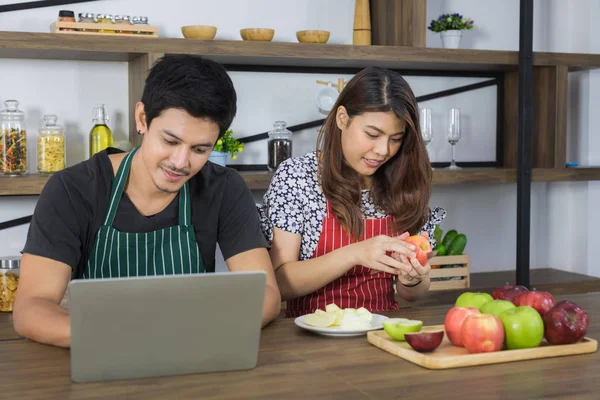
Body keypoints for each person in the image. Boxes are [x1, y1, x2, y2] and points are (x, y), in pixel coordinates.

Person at [13, 54, 281, 347]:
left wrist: (205, 329)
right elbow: (32, 309)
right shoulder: (72, 190)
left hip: (188, 352)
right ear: (142, 119)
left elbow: (265, 293)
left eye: (200, 149)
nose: (180, 162)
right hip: (100, 352)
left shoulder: (225, 189)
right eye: (170, 141)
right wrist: (131, 336)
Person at [259, 66, 445, 318]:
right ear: (342, 118)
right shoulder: (297, 177)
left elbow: (412, 294)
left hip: (381, 332)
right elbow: (280, 283)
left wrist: (413, 279)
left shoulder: (404, 181)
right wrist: (355, 254)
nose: (383, 150)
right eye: (372, 134)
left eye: (395, 138)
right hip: (309, 339)